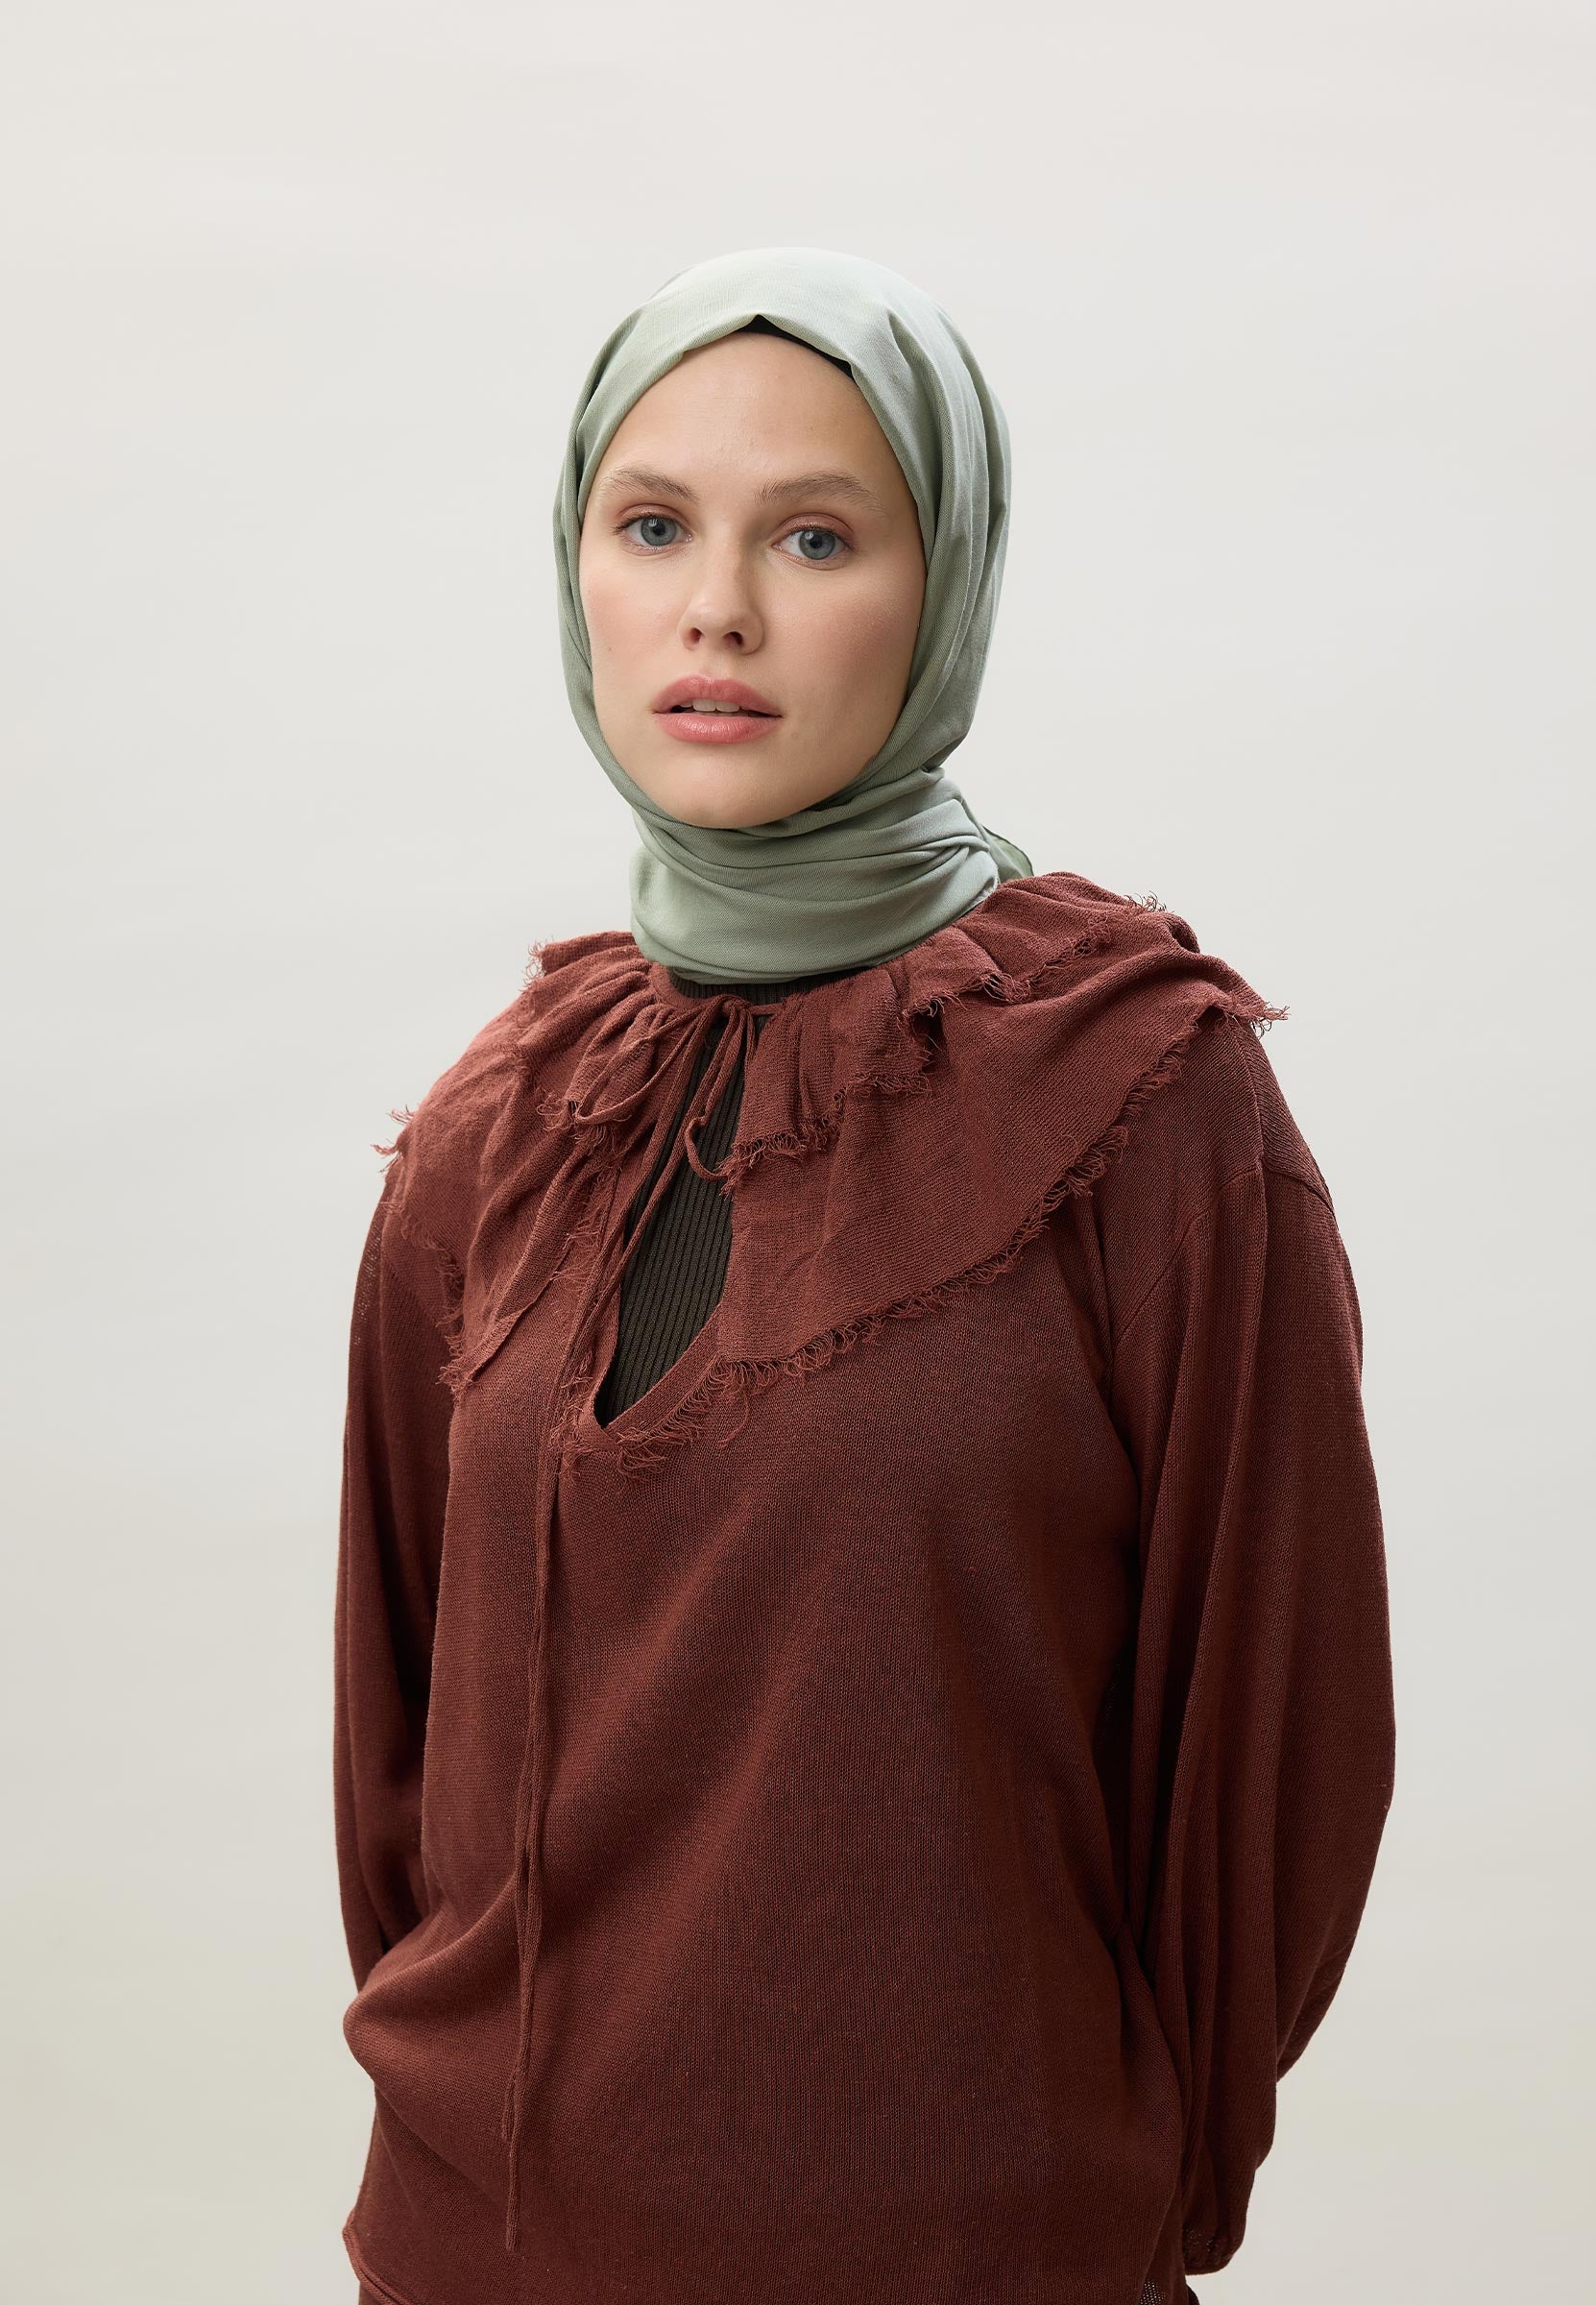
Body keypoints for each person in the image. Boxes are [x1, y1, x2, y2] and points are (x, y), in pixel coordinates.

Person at [332, 245, 1395, 2305]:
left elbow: (1273, 1742)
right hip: (485, 2248)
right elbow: (398, 1754)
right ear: (577, 570)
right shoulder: (504, 1118)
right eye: (653, 526)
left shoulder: (1138, 1091)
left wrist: (1102, 2194)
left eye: (814, 536)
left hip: (982, 2249)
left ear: (944, 584)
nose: (716, 609)